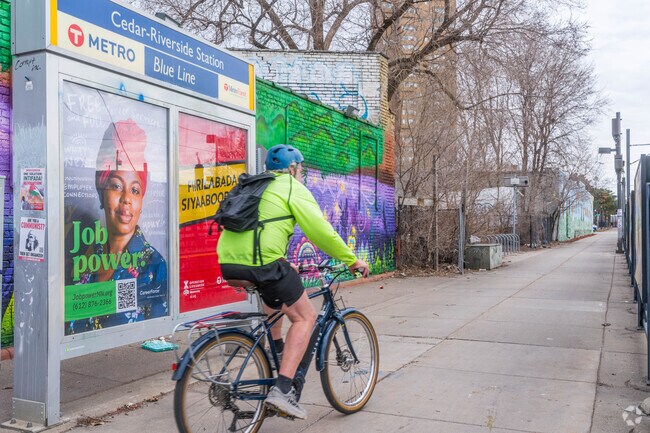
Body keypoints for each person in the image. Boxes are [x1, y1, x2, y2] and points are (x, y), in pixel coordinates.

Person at [217, 144, 368, 420]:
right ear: (291, 169)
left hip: (229, 262)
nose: (302, 175)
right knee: (305, 317)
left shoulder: (256, 185)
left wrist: (286, 262)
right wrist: (351, 260)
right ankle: (282, 390)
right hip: (261, 263)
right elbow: (320, 231)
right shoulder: (289, 185)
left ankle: (276, 352)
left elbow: (260, 229)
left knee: (276, 292)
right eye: (301, 170)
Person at [67, 120, 167, 333]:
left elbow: (156, 332)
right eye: (116, 186)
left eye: (135, 190)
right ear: (102, 192)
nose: (126, 199)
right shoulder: (85, 257)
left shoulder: (153, 265)